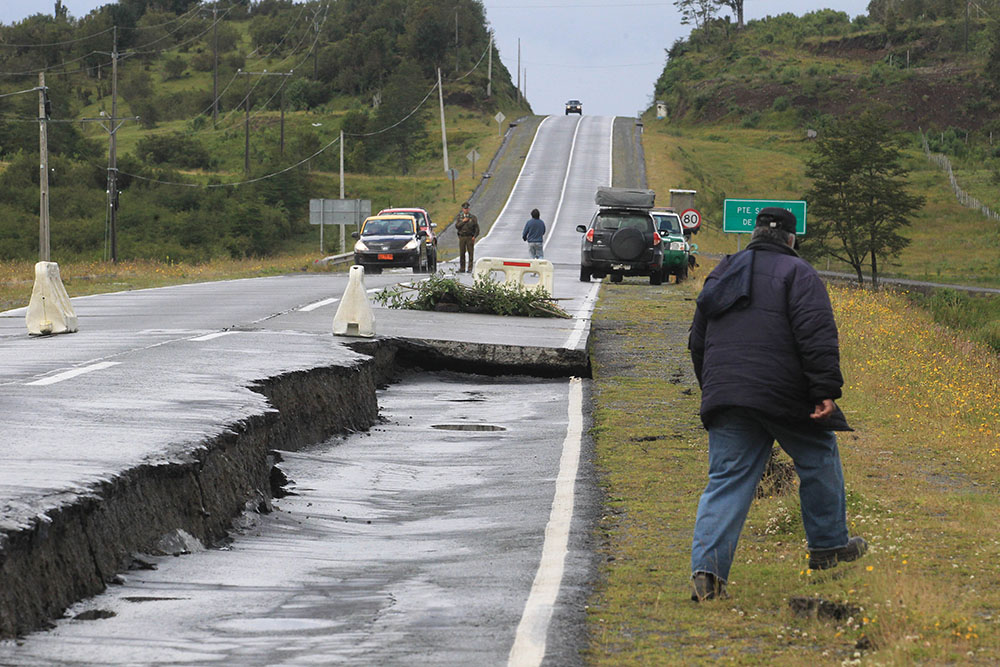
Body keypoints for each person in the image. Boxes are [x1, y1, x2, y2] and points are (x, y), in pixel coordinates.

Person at [687, 207, 867, 602]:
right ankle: (828, 548)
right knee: (819, 458)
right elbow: (816, 335)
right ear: (791, 239)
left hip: (729, 394)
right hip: (782, 395)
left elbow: (697, 341)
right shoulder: (799, 273)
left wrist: (715, 391)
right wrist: (825, 391)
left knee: (727, 482)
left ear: (754, 234)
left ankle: (707, 574)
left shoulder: (722, 271)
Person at [456, 201, 480, 273]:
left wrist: (474, 236)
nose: (466, 210)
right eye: (464, 209)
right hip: (462, 237)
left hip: (470, 237)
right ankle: (462, 268)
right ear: (462, 209)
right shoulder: (459, 217)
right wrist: (463, 221)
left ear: (468, 209)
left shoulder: (473, 218)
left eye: (467, 209)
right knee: (462, 253)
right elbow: (457, 226)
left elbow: (477, 228)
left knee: (470, 253)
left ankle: (470, 268)